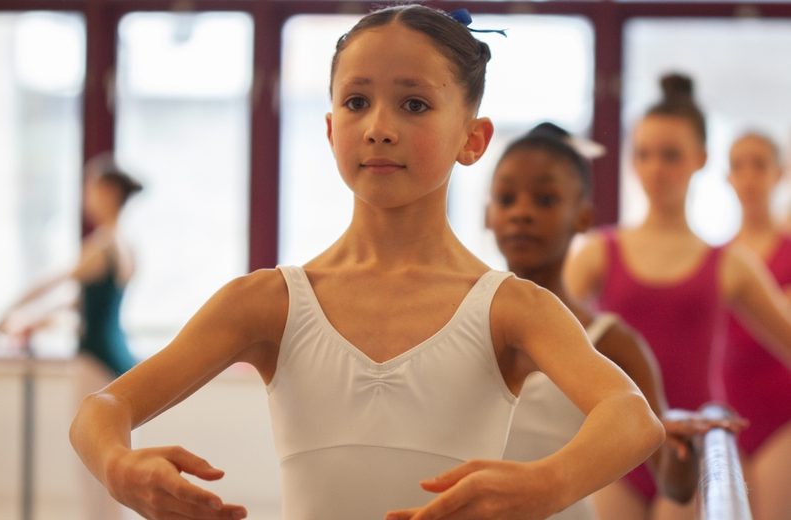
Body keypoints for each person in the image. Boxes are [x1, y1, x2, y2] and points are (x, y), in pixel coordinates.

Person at [69, 6, 664, 520]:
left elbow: (632, 418)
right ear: (331, 130)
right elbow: (102, 408)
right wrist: (119, 467)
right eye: (357, 102)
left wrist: (546, 485)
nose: (379, 128)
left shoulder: (511, 308)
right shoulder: (268, 303)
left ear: (473, 138)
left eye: (414, 104)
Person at [564, 74, 791, 520]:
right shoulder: (598, 253)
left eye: (670, 155)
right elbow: (541, 338)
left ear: (700, 158)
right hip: (619, 442)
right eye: (643, 154)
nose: (655, 169)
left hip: (693, 447)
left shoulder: (730, 262)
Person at [487, 122, 738, 520]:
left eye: (545, 200)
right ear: (487, 215)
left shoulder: (611, 341)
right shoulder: (462, 320)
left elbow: (673, 484)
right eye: (506, 199)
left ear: (583, 216)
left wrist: (681, 448)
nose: (522, 213)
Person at [0, 152, 142, 378]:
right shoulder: (127, 246)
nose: (85, 197)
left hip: (96, 358)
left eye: (89, 189)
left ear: (108, 193)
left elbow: (51, 282)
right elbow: (85, 304)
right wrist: (37, 319)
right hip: (118, 353)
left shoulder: (102, 248)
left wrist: (7, 313)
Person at [723, 132, 791, 519]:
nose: (749, 176)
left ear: (779, 173)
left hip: (782, 413)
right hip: (729, 411)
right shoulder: (716, 257)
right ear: (728, 176)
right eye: (739, 165)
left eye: (759, 165)